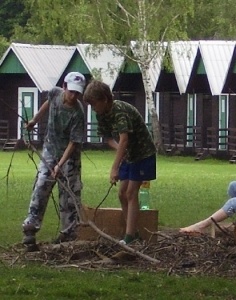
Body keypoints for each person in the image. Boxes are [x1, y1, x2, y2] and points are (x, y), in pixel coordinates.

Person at [83, 80, 156, 245]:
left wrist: (114, 167)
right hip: (129, 155)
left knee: (131, 193)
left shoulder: (119, 111)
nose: (93, 108)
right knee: (121, 193)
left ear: (105, 99)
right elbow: (108, 138)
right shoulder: (101, 114)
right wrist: (120, 153)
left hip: (143, 154)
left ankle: (129, 237)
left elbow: (124, 139)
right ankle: (134, 233)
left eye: (95, 104)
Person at [22, 72, 86, 245]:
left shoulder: (78, 113)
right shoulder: (54, 93)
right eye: (71, 91)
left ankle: (69, 233)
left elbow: (73, 143)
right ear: (64, 87)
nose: (73, 96)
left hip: (70, 157)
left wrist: (60, 164)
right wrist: (35, 120)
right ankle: (30, 228)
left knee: (69, 194)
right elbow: (47, 104)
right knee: (42, 184)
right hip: (50, 148)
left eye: (77, 93)